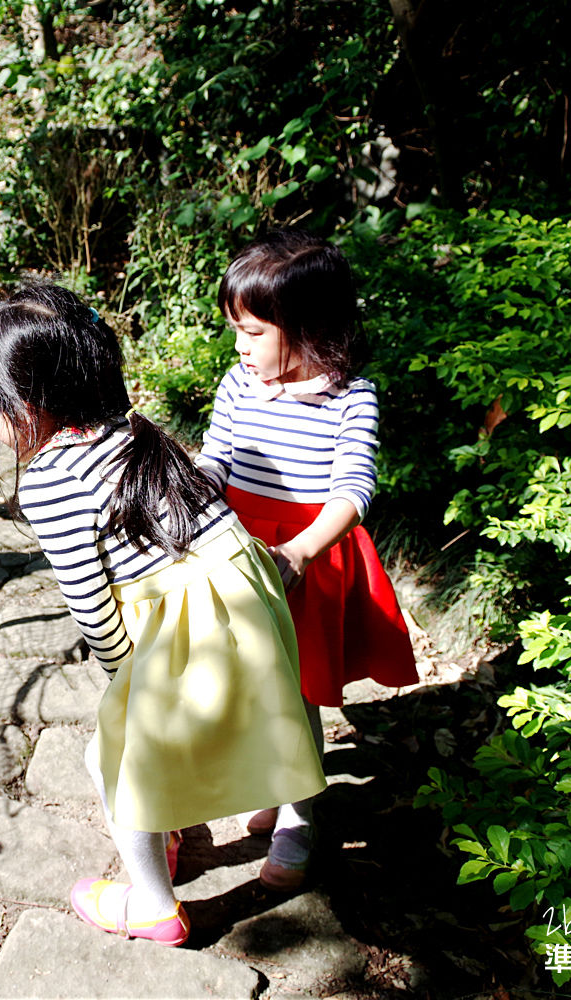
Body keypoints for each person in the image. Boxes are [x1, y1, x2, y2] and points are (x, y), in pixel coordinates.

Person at [0, 283, 326, 946]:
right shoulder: (132, 431)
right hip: (245, 589)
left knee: (117, 756)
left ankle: (153, 903)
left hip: (191, 617)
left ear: (28, 404)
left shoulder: (49, 478)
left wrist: (120, 672)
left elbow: (89, 600)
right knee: (227, 724)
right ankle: (203, 825)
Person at [197, 229, 419, 891]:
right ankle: (270, 778)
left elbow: (353, 489)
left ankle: (299, 814)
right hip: (238, 549)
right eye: (235, 330)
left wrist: (298, 550)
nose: (240, 346)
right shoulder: (239, 383)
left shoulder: (351, 396)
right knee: (244, 681)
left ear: (310, 329)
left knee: (296, 694)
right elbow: (216, 459)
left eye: (253, 331)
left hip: (306, 556)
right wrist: (190, 496)